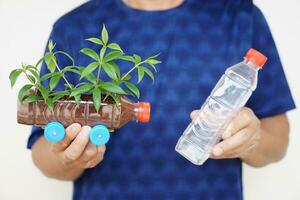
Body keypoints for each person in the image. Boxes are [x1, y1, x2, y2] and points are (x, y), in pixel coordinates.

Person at [28, 0, 295, 199]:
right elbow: (42, 150)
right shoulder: (74, 27)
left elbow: (278, 138)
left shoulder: (241, 15)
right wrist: (67, 157)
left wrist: (252, 139)